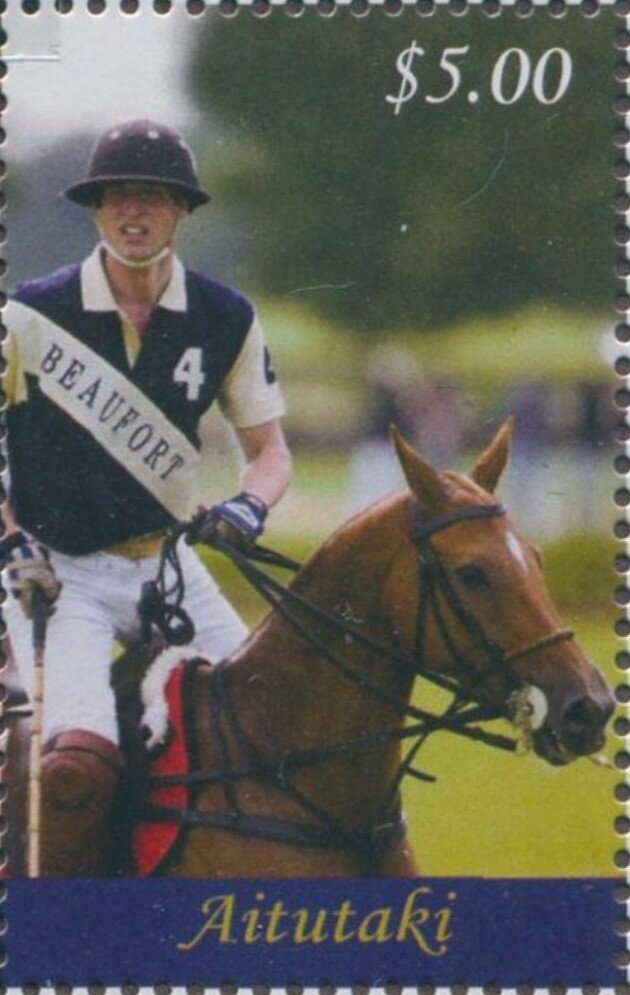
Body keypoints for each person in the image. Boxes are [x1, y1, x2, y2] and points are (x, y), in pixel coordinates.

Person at [2, 119, 292, 875]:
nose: (134, 214)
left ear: (182, 210)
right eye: (117, 198)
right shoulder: (30, 314)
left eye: (154, 198)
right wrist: (10, 541)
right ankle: (62, 931)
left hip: (167, 566)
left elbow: (270, 454)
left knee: (274, 723)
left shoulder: (226, 316)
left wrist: (247, 506)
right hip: (57, 574)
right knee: (78, 762)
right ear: (96, 210)